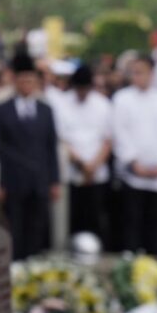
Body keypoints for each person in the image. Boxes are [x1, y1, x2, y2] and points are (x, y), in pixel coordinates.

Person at [0, 53, 60, 259]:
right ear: (14, 81)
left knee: (37, 227)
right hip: (13, 180)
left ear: (37, 82)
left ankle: (34, 268)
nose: (27, 84)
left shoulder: (46, 110)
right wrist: (1, 182)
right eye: (22, 80)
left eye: (31, 80)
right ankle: (15, 270)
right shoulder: (2, 110)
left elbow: (51, 147)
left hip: (40, 180)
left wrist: (54, 181)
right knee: (14, 227)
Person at [112, 56, 157, 254]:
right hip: (133, 171)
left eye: (141, 71)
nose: (137, 76)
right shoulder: (122, 98)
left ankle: (153, 265)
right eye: (134, 72)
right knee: (131, 220)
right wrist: (133, 162)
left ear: (151, 73)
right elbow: (120, 132)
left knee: (155, 222)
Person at [57, 65, 112, 239]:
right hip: (72, 172)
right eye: (79, 89)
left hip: (97, 173)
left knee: (97, 220)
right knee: (73, 220)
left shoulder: (103, 104)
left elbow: (108, 140)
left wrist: (93, 166)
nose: (82, 93)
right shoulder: (62, 103)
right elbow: (62, 140)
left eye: (85, 89)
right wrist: (81, 164)